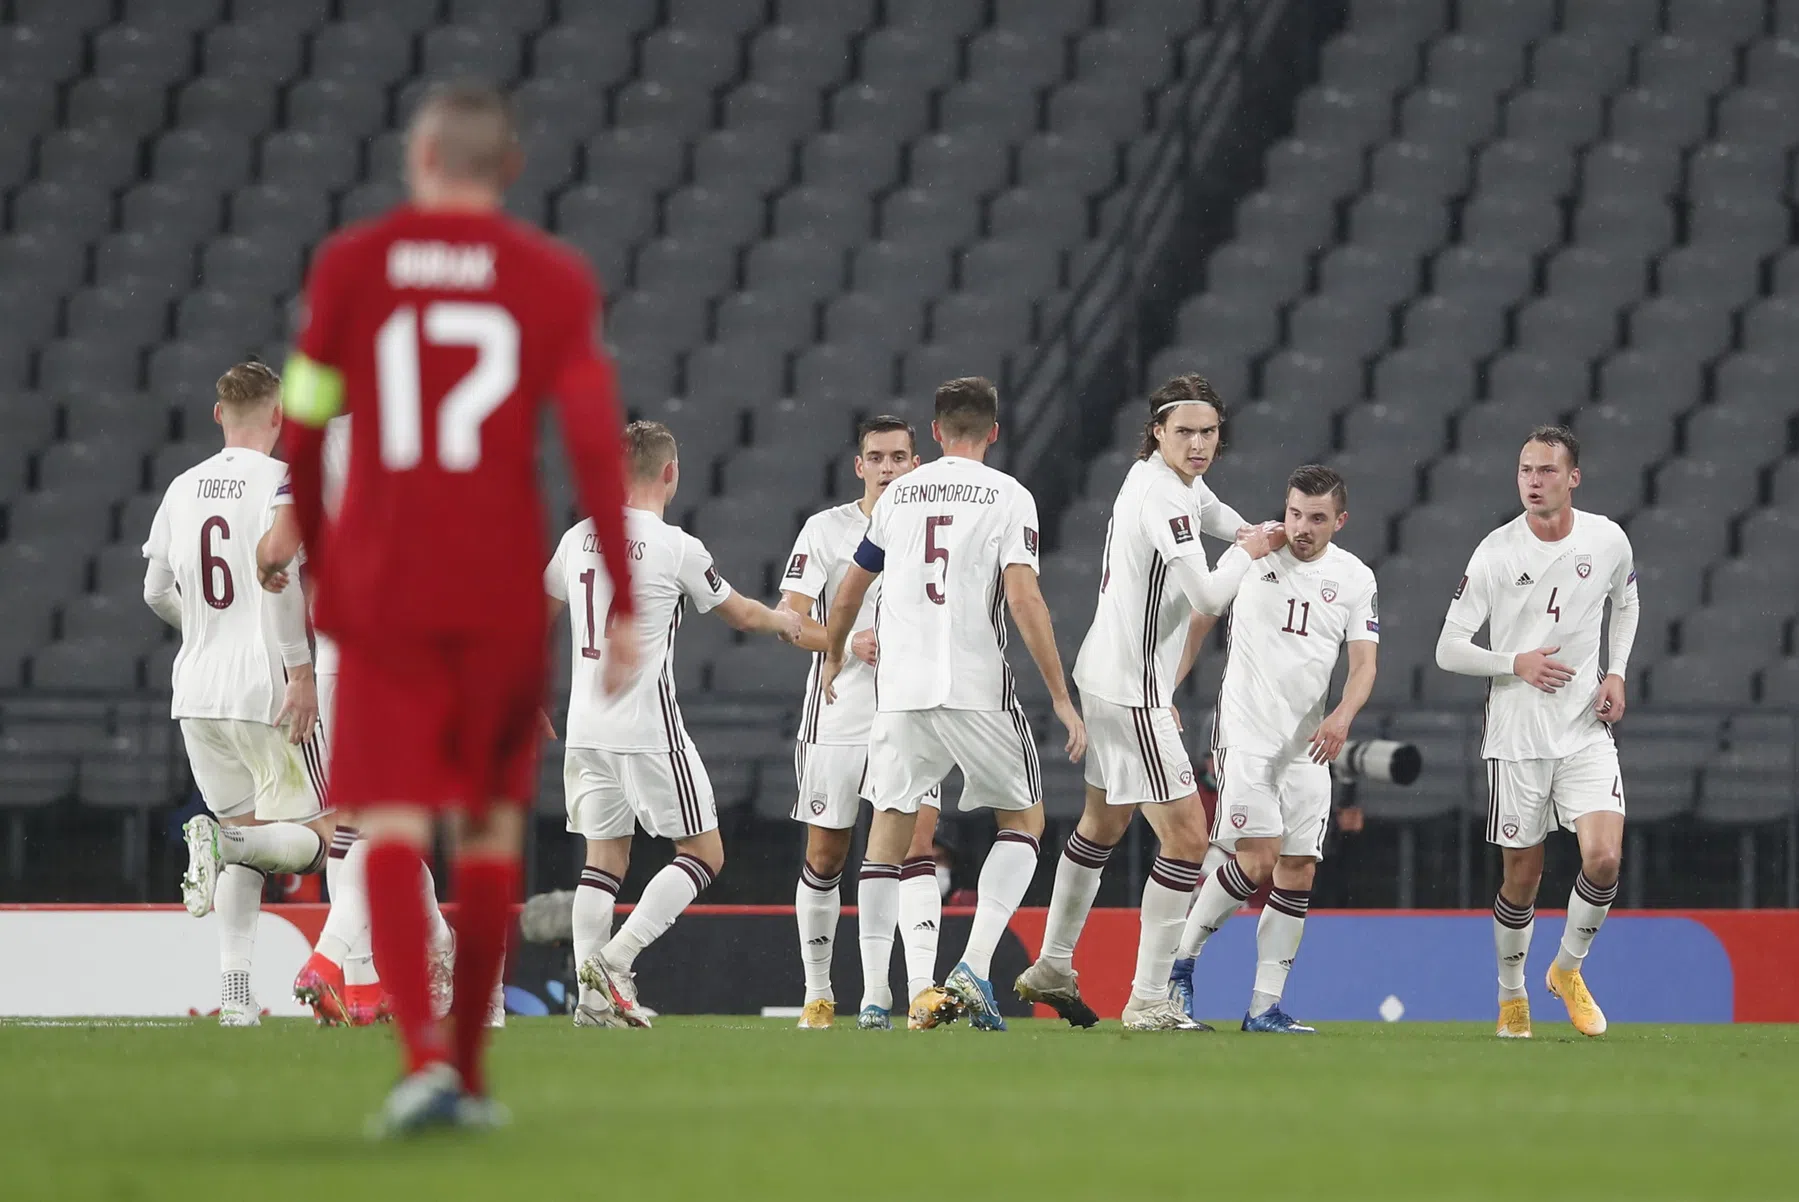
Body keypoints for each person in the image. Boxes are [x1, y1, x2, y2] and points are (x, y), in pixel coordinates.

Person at [270, 82, 639, 1134]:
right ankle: (470, 1071)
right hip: (493, 593)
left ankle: (420, 1059)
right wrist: (613, 591)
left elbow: (300, 427)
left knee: (386, 822)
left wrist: (331, 567)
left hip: (384, 590)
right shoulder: (550, 280)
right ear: (508, 169)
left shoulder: (349, 265)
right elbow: (590, 441)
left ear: (418, 157)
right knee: (485, 833)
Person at [819, 377, 1086, 1032]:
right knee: (1022, 824)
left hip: (901, 692)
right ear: (993, 432)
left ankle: (877, 997)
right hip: (972, 686)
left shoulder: (900, 493)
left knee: (886, 833)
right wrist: (1059, 694)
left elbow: (853, 586)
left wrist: (832, 654)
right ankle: (970, 965)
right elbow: (1022, 599)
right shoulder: (1008, 496)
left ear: (933, 434)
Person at [1014, 375, 1278, 1031]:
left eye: (1208, 432)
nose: (1197, 444)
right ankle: (1148, 997)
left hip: (1111, 677)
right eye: (1183, 431)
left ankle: (1051, 963)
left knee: (1101, 826)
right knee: (1187, 840)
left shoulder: (1163, 480)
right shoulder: (1162, 501)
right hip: (1130, 691)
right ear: (1156, 431)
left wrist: (1258, 532)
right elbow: (1211, 598)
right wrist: (1249, 554)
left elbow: (1214, 513)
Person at [547, 421, 801, 1029]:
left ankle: (590, 1001)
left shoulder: (579, 537)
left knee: (601, 859)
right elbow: (739, 614)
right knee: (704, 852)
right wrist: (785, 620)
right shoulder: (674, 545)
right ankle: (614, 962)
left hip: (584, 726)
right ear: (670, 473)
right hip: (644, 725)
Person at [142, 361, 333, 1027]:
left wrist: (199, 627)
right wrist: (299, 671)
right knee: (327, 834)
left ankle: (234, 996)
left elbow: (154, 591)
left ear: (218, 414)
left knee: (245, 834)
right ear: (278, 418)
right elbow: (282, 583)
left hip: (195, 690)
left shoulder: (182, 487)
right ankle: (224, 847)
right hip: (264, 688)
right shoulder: (283, 485)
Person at [1435, 426, 1638, 1040]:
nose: (1533, 481)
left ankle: (1567, 970)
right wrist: (1513, 662)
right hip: (1517, 738)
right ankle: (1511, 994)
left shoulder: (1607, 539)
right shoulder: (1495, 552)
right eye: (1525, 470)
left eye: (1546, 471)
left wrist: (1617, 672)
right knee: (1521, 877)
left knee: (1603, 858)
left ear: (1572, 478)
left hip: (1583, 730)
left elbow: (1625, 603)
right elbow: (1448, 649)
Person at [263, 416, 462, 1029]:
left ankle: (394, 973)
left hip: (335, 656)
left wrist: (297, 668)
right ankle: (330, 960)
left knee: (354, 827)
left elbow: (275, 555)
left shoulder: (316, 446)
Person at [1167, 465, 1379, 1033]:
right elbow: (1200, 619)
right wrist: (1164, 691)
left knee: (1298, 869)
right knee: (1257, 857)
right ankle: (1179, 966)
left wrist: (1342, 715)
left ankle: (1263, 1006)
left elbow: (1364, 664)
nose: (1301, 527)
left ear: (1340, 520)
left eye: (1316, 517)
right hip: (1246, 734)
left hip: (1306, 743)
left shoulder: (1356, 578)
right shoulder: (1255, 551)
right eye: (1294, 512)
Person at [776, 415, 946, 1031]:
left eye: (899, 457)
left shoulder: (934, 528)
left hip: (911, 711)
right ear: (859, 466)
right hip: (839, 713)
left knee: (917, 842)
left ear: (916, 463)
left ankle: (920, 990)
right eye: (877, 458)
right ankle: (818, 992)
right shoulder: (826, 531)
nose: (888, 468)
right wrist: (846, 643)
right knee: (827, 854)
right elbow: (790, 617)